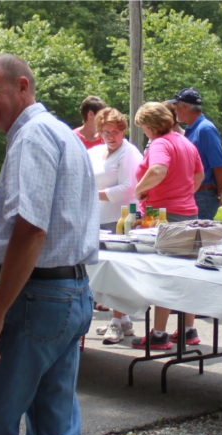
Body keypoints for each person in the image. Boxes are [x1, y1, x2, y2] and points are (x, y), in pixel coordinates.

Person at [0, 53, 96, 435]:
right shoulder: (61, 133)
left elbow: (31, 228)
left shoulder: (33, 136)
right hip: (66, 294)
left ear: (22, 86)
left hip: (33, 299)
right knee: (55, 433)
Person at [129, 101, 203, 350]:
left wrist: (140, 189)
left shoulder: (161, 143)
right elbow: (199, 175)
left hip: (165, 217)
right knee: (186, 274)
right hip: (188, 214)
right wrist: (184, 194)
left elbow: (158, 169)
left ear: (151, 125)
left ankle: (159, 334)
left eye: (143, 128)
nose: (144, 133)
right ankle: (188, 329)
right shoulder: (185, 141)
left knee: (166, 275)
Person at [90, 107, 142, 344]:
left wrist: (91, 194)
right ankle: (123, 321)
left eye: (115, 132)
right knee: (103, 272)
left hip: (122, 219)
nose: (110, 137)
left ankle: (116, 322)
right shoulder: (97, 151)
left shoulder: (128, 152)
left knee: (117, 272)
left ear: (123, 130)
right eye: (105, 132)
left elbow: (127, 188)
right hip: (99, 218)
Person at [171, 88, 222, 220]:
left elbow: (219, 166)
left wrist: (218, 194)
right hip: (195, 193)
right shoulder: (192, 129)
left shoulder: (205, 129)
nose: (175, 111)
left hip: (203, 195)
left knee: (200, 239)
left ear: (184, 106)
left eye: (176, 106)